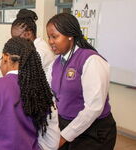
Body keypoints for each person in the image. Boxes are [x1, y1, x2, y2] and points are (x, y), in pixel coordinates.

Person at [46, 13, 117, 150]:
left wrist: (64, 136)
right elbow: (49, 95)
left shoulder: (91, 61)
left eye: (54, 37)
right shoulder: (56, 63)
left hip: (93, 132)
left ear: (70, 36)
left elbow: (94, 108)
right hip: (66, 126)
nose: (50, 41)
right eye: (49, 37)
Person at [11, 9, 55, 73]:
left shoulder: (39, 52)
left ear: (28, 34)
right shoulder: (32, 47)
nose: (13, 42)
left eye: (16, 38)